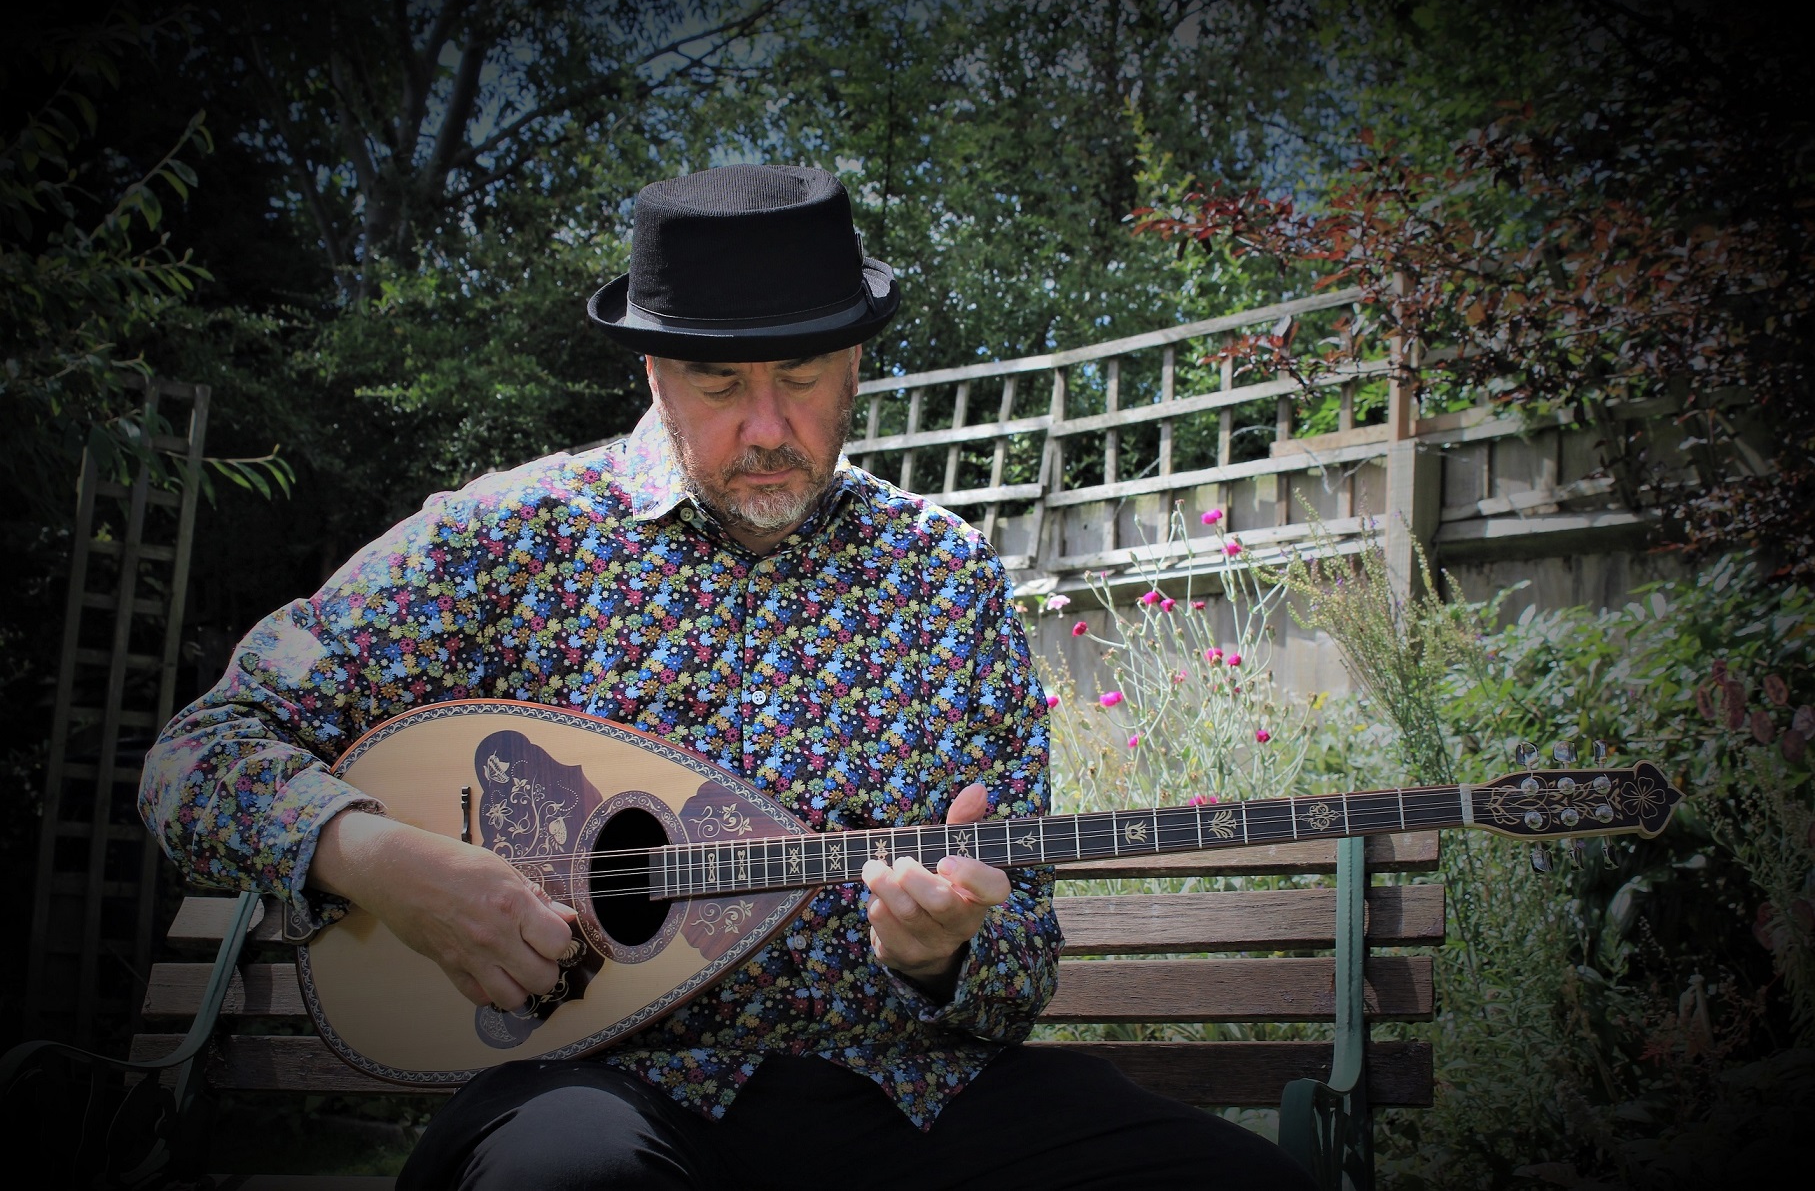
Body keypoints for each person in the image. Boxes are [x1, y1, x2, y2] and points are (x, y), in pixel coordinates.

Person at [141, 164, 1316, 1190]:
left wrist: (948, 956)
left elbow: (1022, 959)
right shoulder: (507, 543)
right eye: (719, 386)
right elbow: (201, 752)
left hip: (902, 1097)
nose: (766, 426)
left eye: (802, 375)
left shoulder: (945, 578)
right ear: (653, 370)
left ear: (856, 361)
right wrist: (381, 863)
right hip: (596, 1087)